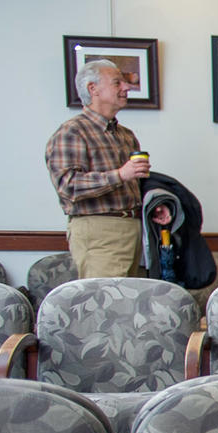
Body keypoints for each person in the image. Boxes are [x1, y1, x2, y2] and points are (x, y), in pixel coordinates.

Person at [46, 58, 150, 278]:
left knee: (128, 305)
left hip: (132, 228)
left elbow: (135, 183)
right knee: (109, 307)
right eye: (117, 83)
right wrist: (120, 175)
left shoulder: (126, 135)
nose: (126, 87)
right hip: (98, 230)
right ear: (92, 89)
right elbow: (68, 187)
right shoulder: (72, 132)